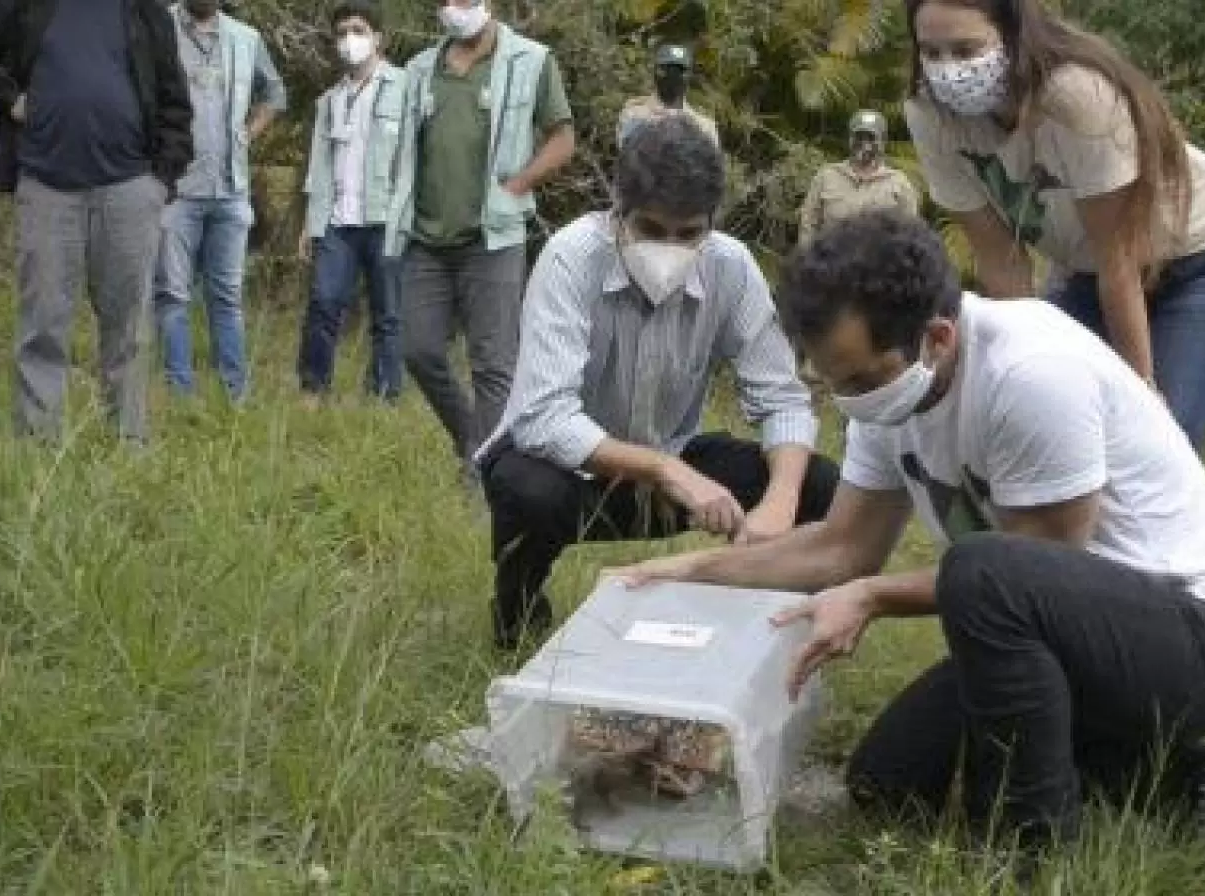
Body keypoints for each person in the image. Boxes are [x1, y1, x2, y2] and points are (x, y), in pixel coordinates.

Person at [607, 210, 1205, 853]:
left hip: (1199, 638)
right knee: (885, 782)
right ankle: (1161, 773)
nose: (852, 400)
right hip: (1070, 631)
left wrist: (873, 596)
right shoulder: (885, 399)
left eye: (864, 379)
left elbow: (1041, 558)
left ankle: (1031, 847)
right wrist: (687, 571)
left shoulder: (1030, 372)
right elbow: (844, 547)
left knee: (980, 573)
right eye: (836, 382)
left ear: (939, 338)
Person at [477, 116, 839, 650]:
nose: (669, 248)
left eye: (689, 232)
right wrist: (664, 470)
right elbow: (544, 418)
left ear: (711, 222)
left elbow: (780, 396)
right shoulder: (570, 258)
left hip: (670, 465)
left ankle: (779, 634)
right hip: (576, 471)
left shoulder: (731, 268)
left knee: (818, 483)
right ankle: (519, 617)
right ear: (617, 210)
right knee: (526, 488)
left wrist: (780, 500)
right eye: (650, 229)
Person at [902, 0, 1205, 452]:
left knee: (1159, 443)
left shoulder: (1075, 96)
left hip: (1201, 258)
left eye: (965, 49)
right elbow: (1002, 264)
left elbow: (1120, 260)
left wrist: (1141, 391)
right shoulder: (928, 115)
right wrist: (1025, 371)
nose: (948, 70)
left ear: (1012, 36)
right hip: (1086, 272)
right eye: (931, 53)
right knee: (1056, 425)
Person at [0, 0, 194, 441]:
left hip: (130, 187)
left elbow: (174, 101)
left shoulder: (144, 11)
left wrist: (160, 179)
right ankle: (39, 444)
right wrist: (10, 97)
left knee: (128, 325)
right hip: (47, 187)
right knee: (42, 323)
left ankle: (128, 441)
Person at [385, 0, 576, 487]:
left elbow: (562, 139)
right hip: (426, 236)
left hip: (493, 238)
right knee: (417, 349)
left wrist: (517, 185)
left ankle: (485, 480)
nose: (454, 9)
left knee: (494, 366)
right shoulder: (419, 69)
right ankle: (472, 437)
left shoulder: (530, 59)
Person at [151, 0, 285, 405]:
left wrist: (249, 131)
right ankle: (180, 393)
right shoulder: (159, 29)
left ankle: (235, 393)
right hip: (176, 189)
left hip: (230, 188)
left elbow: (275, 92)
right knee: (172, 294)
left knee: (226, 296)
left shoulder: (246, 39)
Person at [296, 0, 406, 405]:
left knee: (388, 315)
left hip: (386, 218)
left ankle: (383, 396)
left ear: (378, 37)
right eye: (341, 33)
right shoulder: (329, 101)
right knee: (324, 304)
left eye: (357, 30)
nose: (349, 40)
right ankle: (313, 390)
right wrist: (311, 222)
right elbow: (319, 166)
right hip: (337, 221)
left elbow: (414, 157)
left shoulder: (404, 88)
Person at [797, 109, 920, 246]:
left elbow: (911, 232)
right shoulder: (826, 176)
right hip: (832, 263)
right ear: (850, 139)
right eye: (859, 137)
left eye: (871, 138)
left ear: (883, 142)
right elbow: (808, 225)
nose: (865, 144)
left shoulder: (899, 183)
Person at [616, 43, 719, 149]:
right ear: (655, 72)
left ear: (689, 76)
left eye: (679, 71)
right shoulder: (634, 115)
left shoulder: (704, 126)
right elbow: (628, 154)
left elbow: (711, 162)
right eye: (666, 70)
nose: (672, 76)